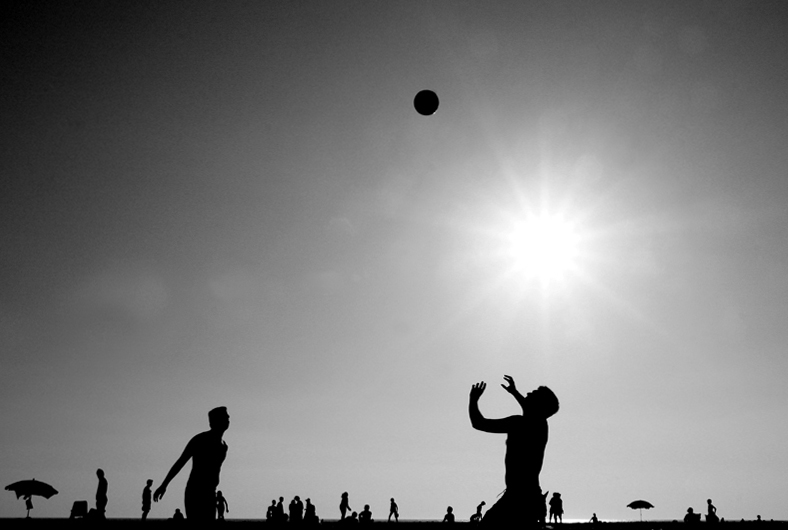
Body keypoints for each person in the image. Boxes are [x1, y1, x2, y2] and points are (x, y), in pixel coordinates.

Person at [469, 375, 559, 525]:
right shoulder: (541, 425)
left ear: (537, 405)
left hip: (517, 497)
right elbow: (531, 410)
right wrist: (514, 392)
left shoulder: (518, 424)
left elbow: (479, 423)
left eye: (533, 394)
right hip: (530, 496)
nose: (528, 393)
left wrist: (473, 399)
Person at [153, 406, 230, 521]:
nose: (228, 418)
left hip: (210, 492)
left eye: (228, 417)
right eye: (225, 417)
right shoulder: (200, 440)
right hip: (195, 491)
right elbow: (181, 462)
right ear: (215, 422)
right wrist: (164, 485)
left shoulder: (223, 446)